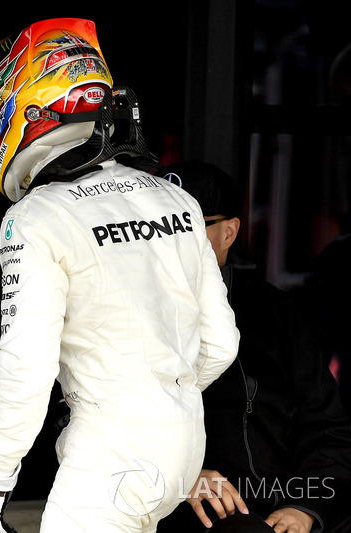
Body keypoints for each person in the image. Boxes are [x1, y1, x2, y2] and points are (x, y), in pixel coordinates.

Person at [0, 18, 240, 532]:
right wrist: (159, 397)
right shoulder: (176, 197)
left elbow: (27, 361)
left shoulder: (35, 217)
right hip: (184, 444)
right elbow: (222, 343)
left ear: (21, 104)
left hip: (109, 451)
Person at [157, 160, 351, 533]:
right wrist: (179, 474)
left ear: (229, 233)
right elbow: (89, 421)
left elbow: (327, 427)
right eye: (159, 228)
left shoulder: (279, 314)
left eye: (188, 227)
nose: (171, 240)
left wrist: (305, 508)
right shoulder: (124, 312)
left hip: (286, 502)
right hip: (185, 505)